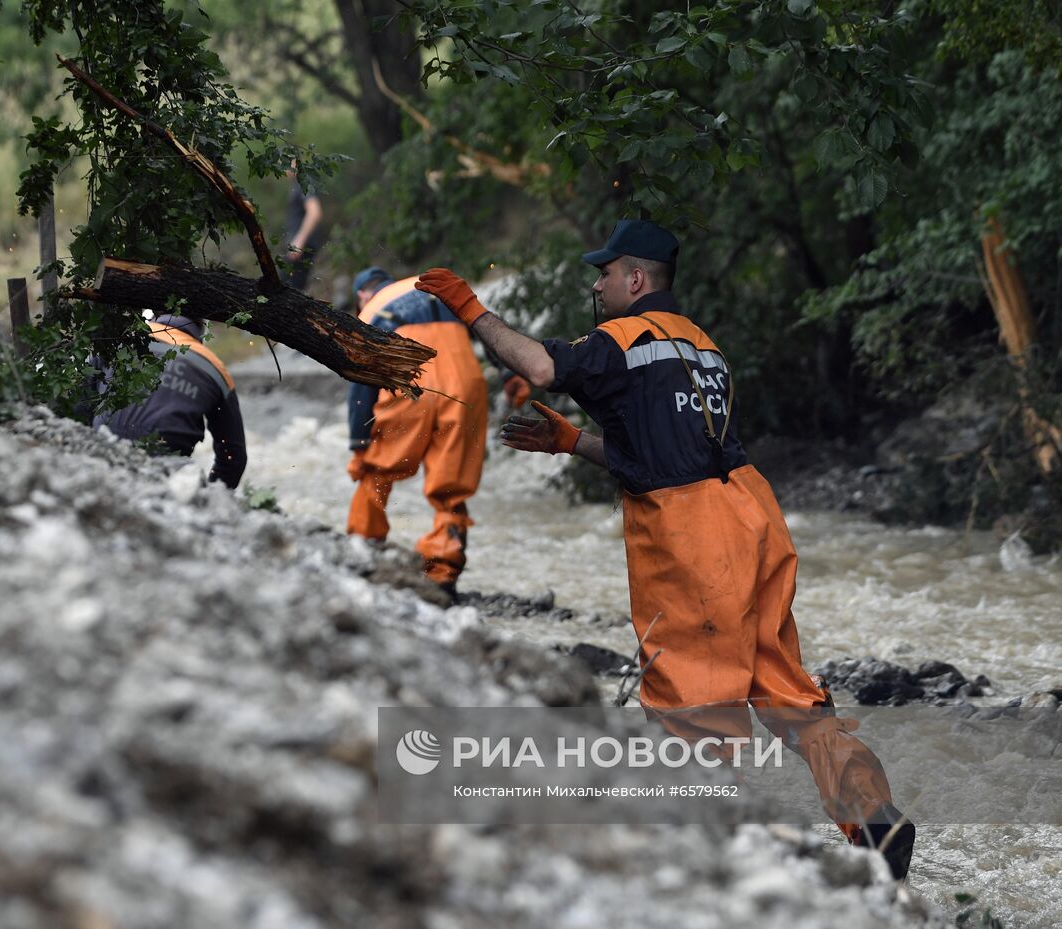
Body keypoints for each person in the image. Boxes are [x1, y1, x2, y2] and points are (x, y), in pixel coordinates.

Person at [414, 220, 915, 880]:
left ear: (637, 279)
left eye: (605, 273)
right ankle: (876, 821)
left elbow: (537, 364)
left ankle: (707, 867)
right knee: (788, 694)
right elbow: (668, 451)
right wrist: (573, 443)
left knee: (693, 708)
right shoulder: (704, 346)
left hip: (693, 539)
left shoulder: (622, 340)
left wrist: (470, 308)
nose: (596, 285)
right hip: (752, 515)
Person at [347, 266, 488, 594]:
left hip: (409, 379)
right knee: (452, 485)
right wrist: (512, 377)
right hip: (466, 383)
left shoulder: (371, 309)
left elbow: (361, 384)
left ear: (361, 295)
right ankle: (443, 570)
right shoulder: (430, 287)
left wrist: (358, 444)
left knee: (377, 470)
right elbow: (485, 325)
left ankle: (362, 548)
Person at [89, 314, 247, 489]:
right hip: (168, 475)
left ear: (156, 314)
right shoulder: (214, 368)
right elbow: (233, 458)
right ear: (203, 325)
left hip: (101, 456)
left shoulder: (117, 338)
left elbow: (77, 409)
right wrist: (211, 500)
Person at [283, 161, 325, 292]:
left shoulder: (303, 183)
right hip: (300, 247)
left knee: (289, 290)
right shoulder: (298, 184)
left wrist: (299, 241)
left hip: (301, 247)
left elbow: (314, 212)